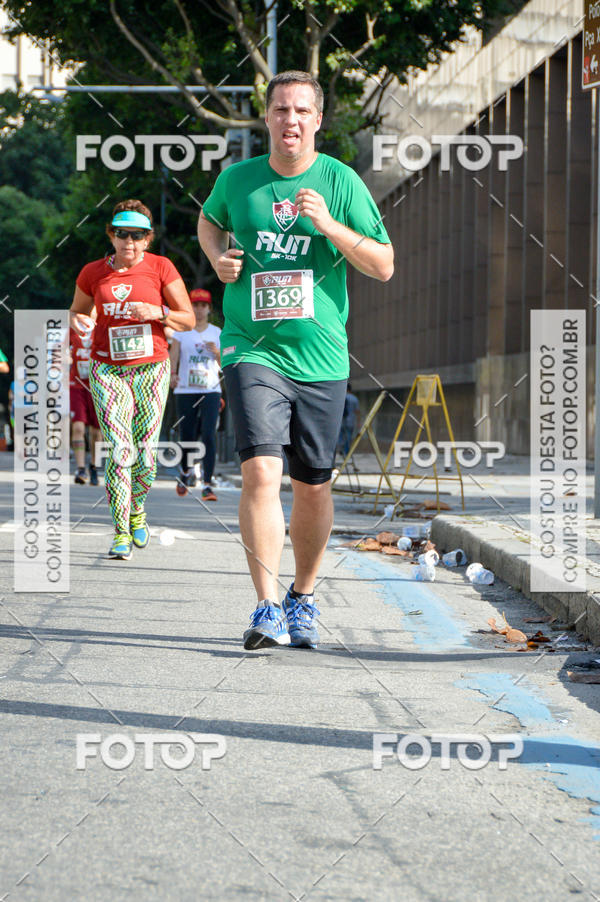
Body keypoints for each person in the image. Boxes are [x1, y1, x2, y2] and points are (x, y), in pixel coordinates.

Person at [198, 70, 393, 650]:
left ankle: (302, 598)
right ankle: (265, 606)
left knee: (313, 484)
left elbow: (383, 265)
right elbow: (209, 221)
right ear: (266, 118)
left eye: (302, 111)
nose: (291, 120)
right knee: (261, 469)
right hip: (250, 346)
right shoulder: (238, 181)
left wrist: (328, 224)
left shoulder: (340, 181)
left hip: (322, 356)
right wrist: (218, 258)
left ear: (318, 119)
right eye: (281, 110)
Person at [70, 200, 194, 560]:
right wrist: (80, 321)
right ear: (111, 234)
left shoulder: (161, 268)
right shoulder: (93, 272)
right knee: (120, 449)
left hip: (151, 368)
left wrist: (159, 312)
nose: (129, 242)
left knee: (145, 455)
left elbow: (186, 319)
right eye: (122, 234)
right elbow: (77, 311)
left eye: (138, 236)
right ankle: (121, 530)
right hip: (107, 368)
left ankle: (138, 509)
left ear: (147, 239)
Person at [169, 287, 222, 500]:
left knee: (209, 435)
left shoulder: (217, 333)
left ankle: (207, 484)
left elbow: (224, 363)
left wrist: (217, 353)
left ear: (209, 308)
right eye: (195, 305)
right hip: (186, 389)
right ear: (189, 308)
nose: (199, 310)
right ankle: (185, 471)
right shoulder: (181, 332)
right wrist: (172, 375)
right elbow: (173, 356)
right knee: (188, 435)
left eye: (203, 306)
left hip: (210, 390)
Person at [69, 315, 102, 485]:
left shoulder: (102, 326)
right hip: (76, 385)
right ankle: (81, 468)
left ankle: (94, 466)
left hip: (98, 385)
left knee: (97, 431)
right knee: (78, 426)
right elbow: (60, 351)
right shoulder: (73, 325)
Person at [338, 383, 360, 458]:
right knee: (348, 436)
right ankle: (346, 452)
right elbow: (357, 411)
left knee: (340, 435)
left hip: (340, 421)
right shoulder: (354, 398)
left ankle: (340, 448)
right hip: (350, 421)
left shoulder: (341, 397)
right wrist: (358, 422)